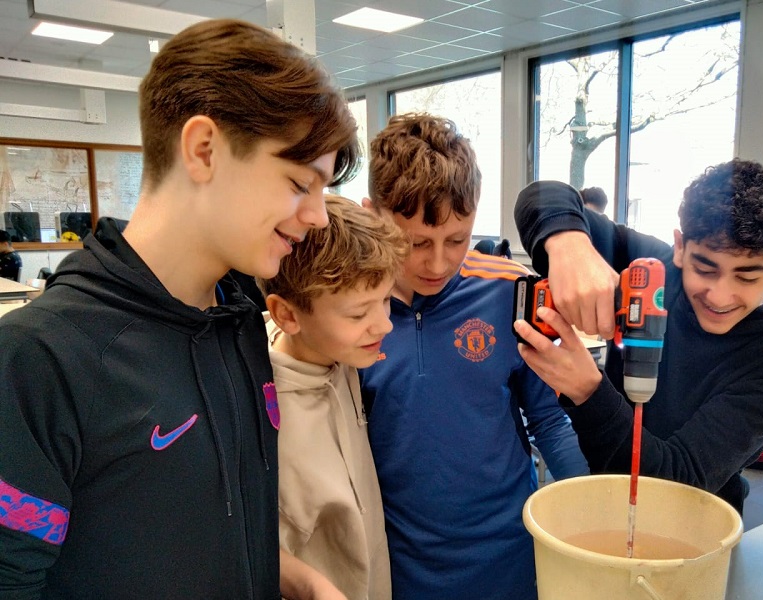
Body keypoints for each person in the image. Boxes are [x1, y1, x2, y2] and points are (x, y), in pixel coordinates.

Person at [0, 19, 359, 599]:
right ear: (203, 149)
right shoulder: (42, 359)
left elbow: (200, 532)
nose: (318, 215)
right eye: (300, 182)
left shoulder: (239, 321)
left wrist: (303, 581)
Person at [513, 159, 763, 514]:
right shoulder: (653, 270)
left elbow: (675, 483)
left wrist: (588, 391)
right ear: (680, 246)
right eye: (705, 268)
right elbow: (541, 195)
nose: (719, 296)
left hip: (689, 523)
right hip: (600, 490)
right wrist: (568, 244)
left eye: (746, 276)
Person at [359, 113, 588, 600]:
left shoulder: (510, 291)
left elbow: (547, 420)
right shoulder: (348, 311)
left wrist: (593, 514)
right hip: (398, 564)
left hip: (509, 555)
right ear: (372, 215)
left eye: (457, 240)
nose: (438, 263)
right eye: (415, 242)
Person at [258, 196, 408, 600]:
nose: (384, 325)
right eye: (359, 315)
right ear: (287, 315)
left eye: (386, 301)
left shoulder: (343, 359)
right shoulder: (254, 402)